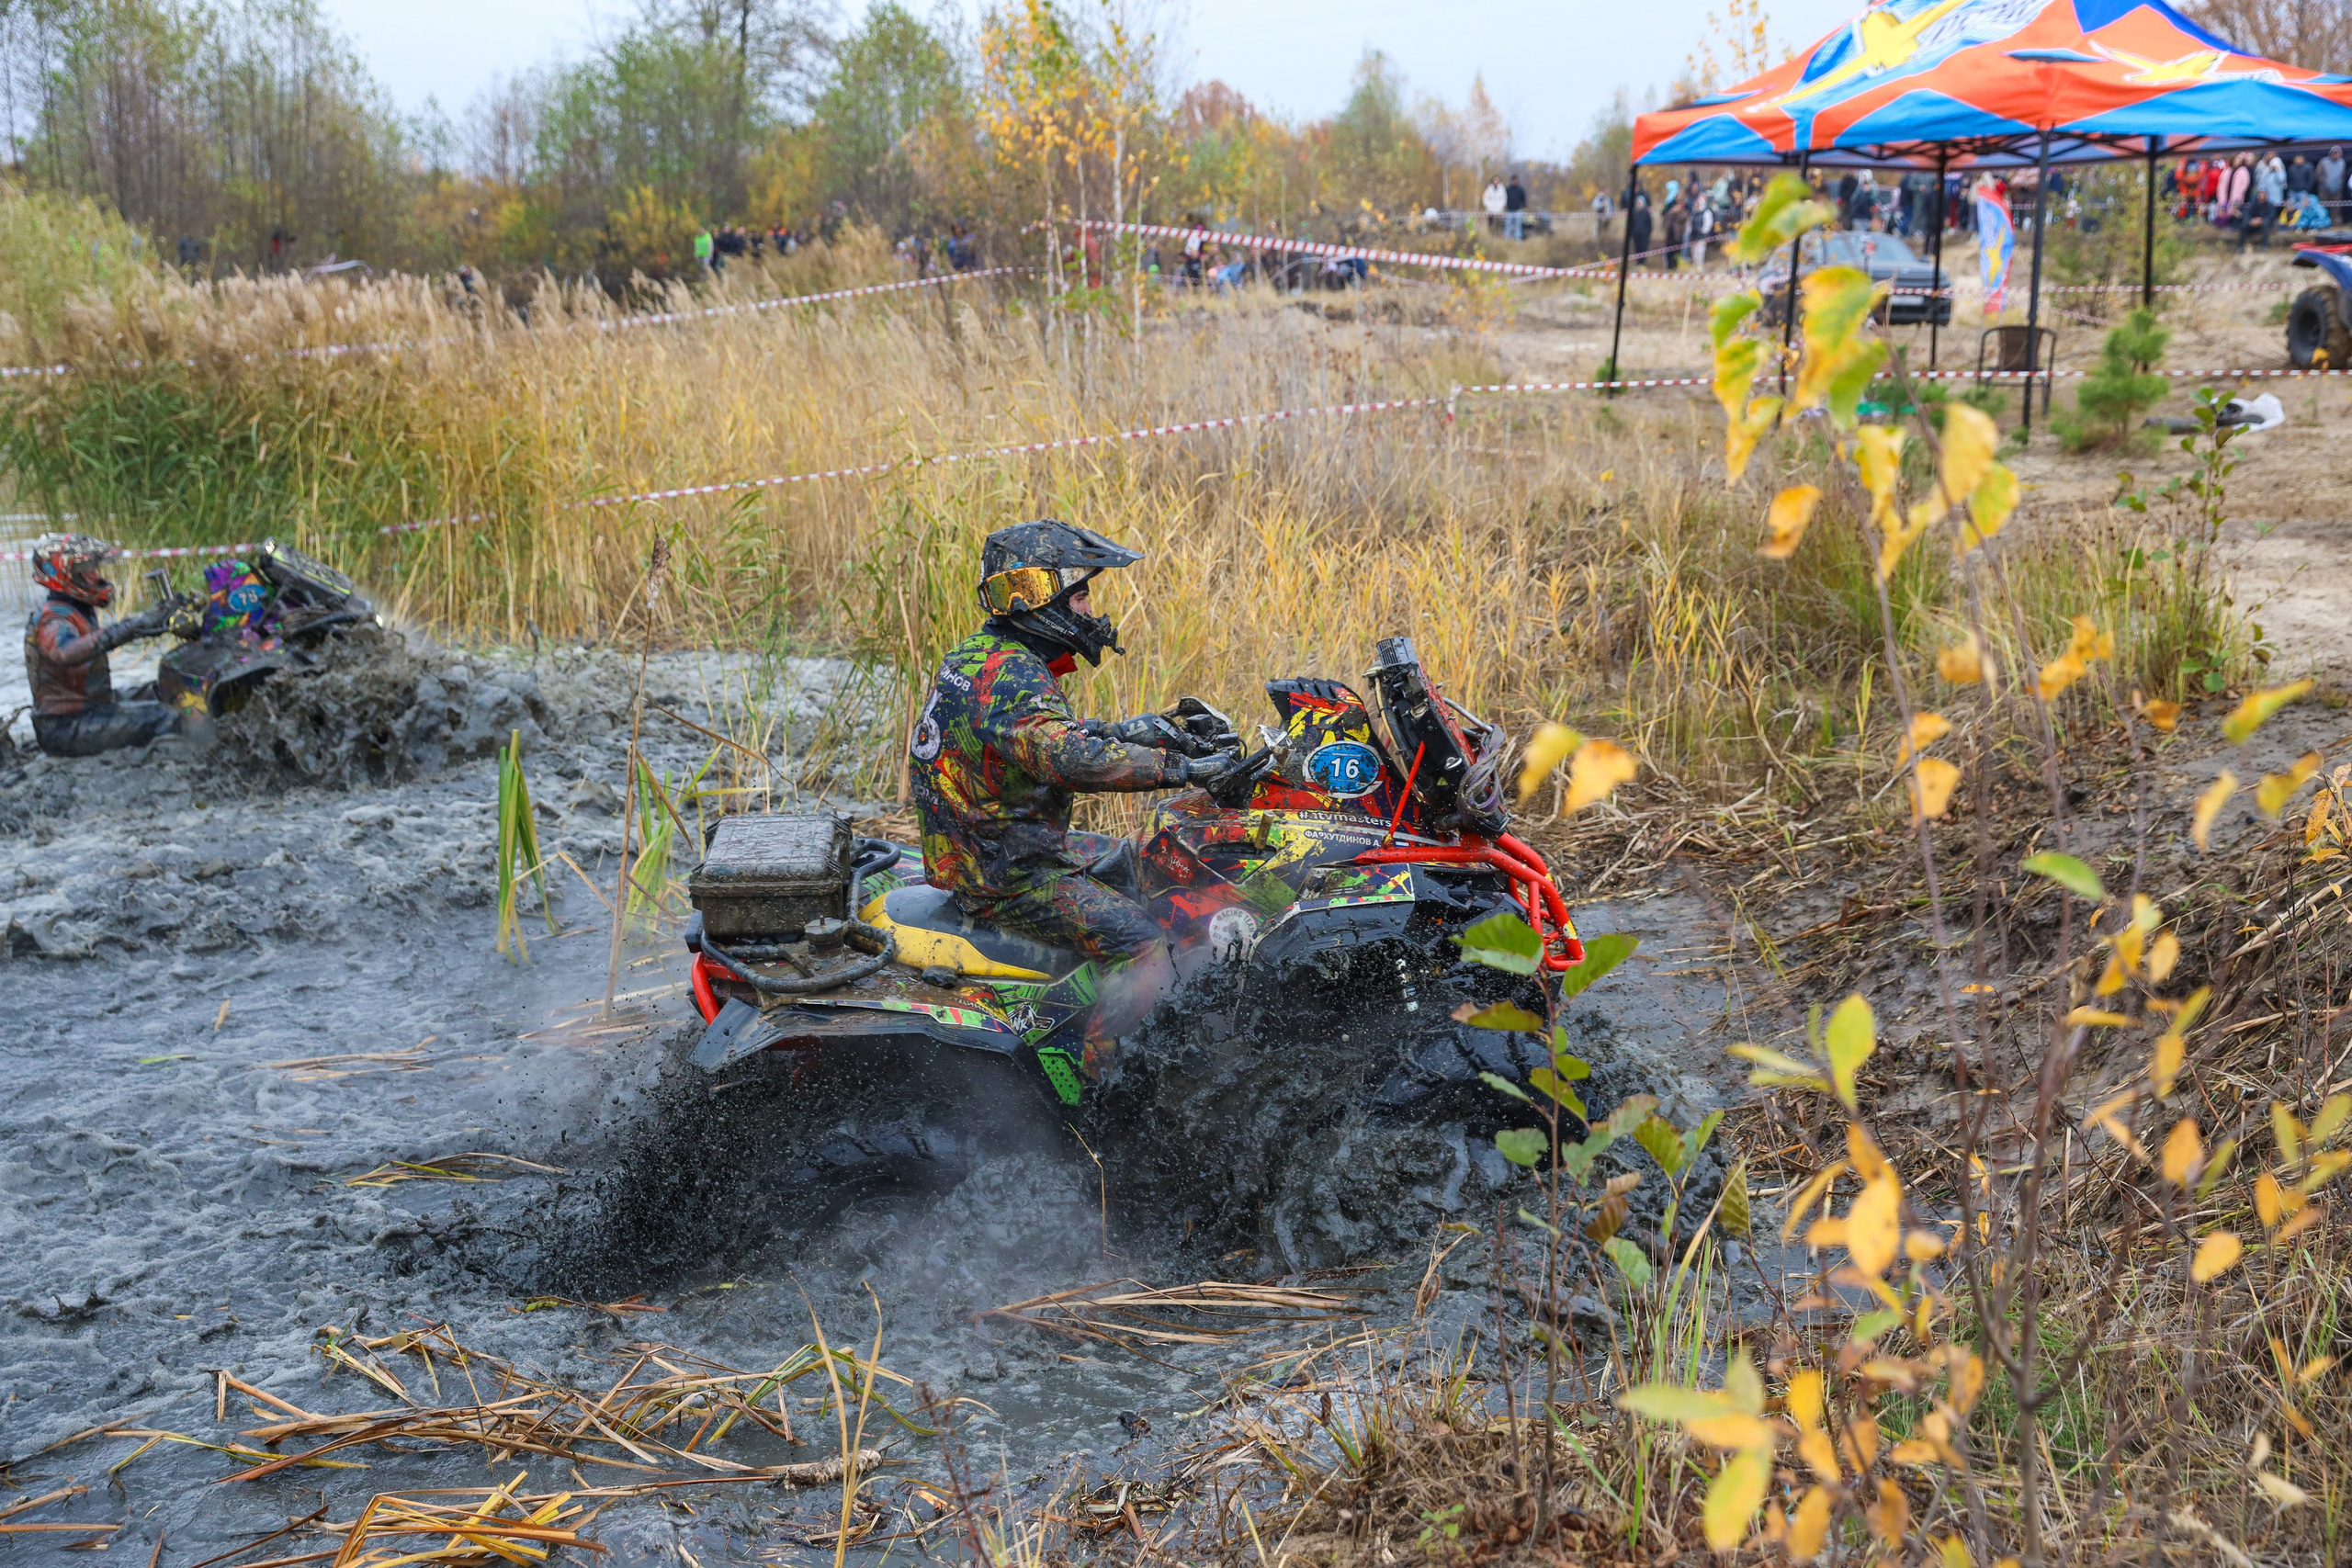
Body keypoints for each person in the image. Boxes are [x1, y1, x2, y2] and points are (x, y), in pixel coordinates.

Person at [910, 522, 1243, 1049]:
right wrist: (1186, 770)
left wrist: (1138, 730)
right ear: (1038, 596)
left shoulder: (985, 655)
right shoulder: (1014, 677)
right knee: (1144, 944)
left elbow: (1033, 740)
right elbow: (1070, 759)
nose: (1090, 611)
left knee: (1142, 862)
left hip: (993, 845)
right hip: (1007, 874)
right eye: (1081, 596)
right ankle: (1107, 1077)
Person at [24, 533, 199, 758]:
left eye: (95, 568)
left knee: (166, 689)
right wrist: (135, 625)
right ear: (64, 574)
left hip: (91, 705)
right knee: (163, 716)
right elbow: (66, 653)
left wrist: (159, 618)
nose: (96, 575)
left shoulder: (75, 610)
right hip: (65, 727)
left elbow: (115, 634)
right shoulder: (53, 618)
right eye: (87, 570)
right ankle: (189, 761)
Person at [1504, 173, 1528, 242]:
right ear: (1511, 181)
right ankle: (1507, 239)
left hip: (1518, 210)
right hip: (1509, 210)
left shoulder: (1520, 190)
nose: (1514, 181)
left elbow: (1523, 200)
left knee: (1518, 226)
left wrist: (1524, 207)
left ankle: (1518, 239)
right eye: (1513, 180)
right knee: (1508, 225)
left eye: (1515, 180)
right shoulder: (1507, 189)